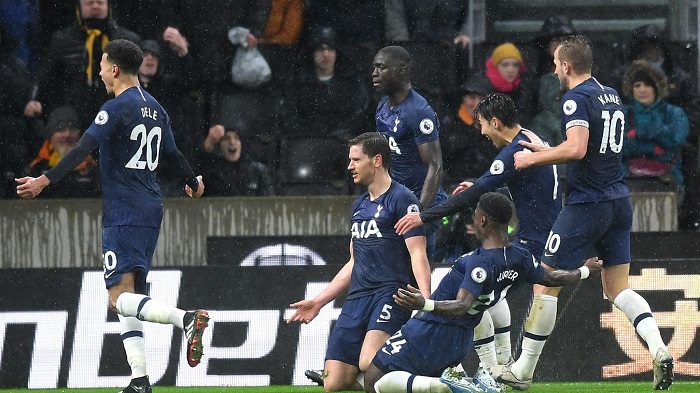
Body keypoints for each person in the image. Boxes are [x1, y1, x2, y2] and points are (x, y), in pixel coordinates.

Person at [16, 39, 209, 393]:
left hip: (124, 210)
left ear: (115, 69)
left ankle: (187, 320)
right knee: (128, 297)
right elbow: (173, 152)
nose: (101, 71)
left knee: (118, 298)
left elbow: (83, 148)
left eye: (103, 65)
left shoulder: (115, 108)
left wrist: (45, 179)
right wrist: (192, 181)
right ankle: (140, 380)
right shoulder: (156, 108)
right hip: (151, 208)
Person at [503, 34, 673, 391]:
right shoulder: (610, 95)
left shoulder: (573, 99)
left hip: (587, 204)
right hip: (618, 200)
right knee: (617, 289)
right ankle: (659, 349)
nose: (553, 70)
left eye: (555, 64)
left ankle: (522, 372)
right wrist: (548, 147)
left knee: (544, 281)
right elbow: (590, 144)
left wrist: (532, 157)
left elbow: (578, 149)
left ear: (566, 66)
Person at [365, 192, 602, 393]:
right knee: (410, 381)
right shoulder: (520, 256)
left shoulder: (480, 263)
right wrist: (584, 271)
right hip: (460, 341)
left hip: (431, 330)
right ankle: (448, 381)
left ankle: (445, 384)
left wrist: (423, 304)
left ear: (483, 221)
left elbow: (461, 306)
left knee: (372, 380)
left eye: (476, 216)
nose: (474, 221)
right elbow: (551, 277)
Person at [395, 93, 562, 374]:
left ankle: (492, 368)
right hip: (547, 235)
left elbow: (474, 195)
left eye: (483, 124)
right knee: (490, 291)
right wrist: (477, 186)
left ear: (495, 122)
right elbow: (525, 187)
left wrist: (422, 216)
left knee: (472, 283)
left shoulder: (512, 152)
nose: (483, 132)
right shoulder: (530, 137)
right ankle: (502, 365)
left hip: (531, 243)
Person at [287, 132, 432, 392]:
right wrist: (319, 302)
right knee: (333, 383)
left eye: (356, 160)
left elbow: (418, 254)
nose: (349, 166)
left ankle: (428, 382)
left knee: (368, 362)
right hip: (357, 297)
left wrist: (427, 302)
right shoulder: (358, 207)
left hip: (390, 293)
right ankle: (397, 385)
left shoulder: (403, 199)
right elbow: (354, 261)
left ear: (377, 160)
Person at [373, 45, 447, 260]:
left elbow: (435, 165)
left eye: (381, 67)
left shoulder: (418, 111)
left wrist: (419, 213)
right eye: (374, 67)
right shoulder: (382, 107)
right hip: (396, 202)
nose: (374, 73)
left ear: (401, 71)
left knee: (415, 270)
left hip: (421, 203)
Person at [35, 0, 141, 129]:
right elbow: (47, 82)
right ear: (79, 7)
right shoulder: (62, 40)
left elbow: (138, 82)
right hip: (73, 121)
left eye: (100, 3)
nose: (95, 6)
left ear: (109, 7)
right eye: (89, 3)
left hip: (118, 117)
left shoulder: (128, 41)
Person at [280, 26, 369, 140]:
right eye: (320, 49)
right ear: (312, 53)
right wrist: (311, 135)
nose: (326, 54)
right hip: (306, 143)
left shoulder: (351, 80)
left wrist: (340, 133)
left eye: (330, 49)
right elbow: (289, 114)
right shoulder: (298, 81)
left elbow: (359, 112)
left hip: (343, 142)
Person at [621, 60, 689, 204]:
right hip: (628, 181)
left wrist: (638, 135)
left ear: (657, 88)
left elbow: (674, 141)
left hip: (667, 181)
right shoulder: (623, 114)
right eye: (637, 85)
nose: (642, 90)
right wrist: (654, 148)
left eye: (648, 85)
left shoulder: (674, 113)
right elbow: (619, 147)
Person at [28, 105, 101, 198]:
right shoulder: (36, 168)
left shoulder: (93, 168)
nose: (67, 135)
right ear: (51, 135)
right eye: (61, 130)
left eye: (72, 129)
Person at [440, 73, 498, 187]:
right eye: (472, 98)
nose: (476, 104)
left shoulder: (498, 128)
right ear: (463, 99)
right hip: (454, 187)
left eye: (482, 99)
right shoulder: (448, 126)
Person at [199, 123, 274, 196]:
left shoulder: (258, 171)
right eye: (226, 138)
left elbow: (269, 202)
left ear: (242, 144)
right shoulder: (212, 172)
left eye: (236, 138)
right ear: (220, 146)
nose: (232, 142)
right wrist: (206, 147)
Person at [483, 42, 536, 128]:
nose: (511, 70)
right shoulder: (483, 89)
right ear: (496, 67)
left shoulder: (526, 90)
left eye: (515, 65)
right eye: (505, 65)